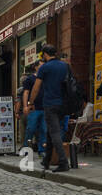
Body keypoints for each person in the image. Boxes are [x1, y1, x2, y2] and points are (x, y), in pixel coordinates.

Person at [28, 45, 72, 173]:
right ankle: (47, 160)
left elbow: (36, 87)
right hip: (63, 104)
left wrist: (31, 102)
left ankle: (63, 162)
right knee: (50, 131)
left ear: (45, 54)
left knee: (54, 133)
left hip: (50, 104)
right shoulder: (65, 66)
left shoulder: (44, 68)